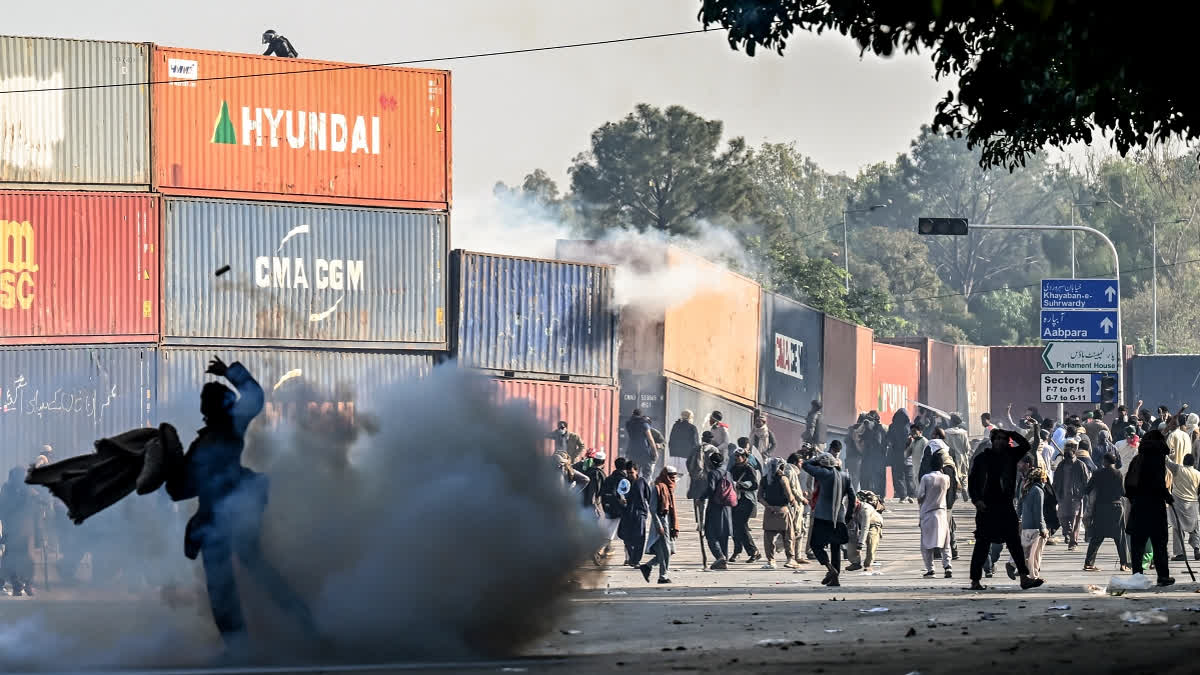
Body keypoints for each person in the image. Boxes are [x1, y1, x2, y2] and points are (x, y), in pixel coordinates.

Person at [166, 357, 316, 652]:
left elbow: (255, 397)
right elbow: (181, 489)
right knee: (224, 587)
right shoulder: (204, 443)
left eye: (208, 400)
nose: (203, 406)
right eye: (204, 400)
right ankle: (240, 645)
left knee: (249, 574)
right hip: (215, 518)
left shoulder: (229, 428)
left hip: (232, 511)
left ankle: (302, 625)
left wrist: (229, 372)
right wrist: (168, 469)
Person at [967, 427, 1044, 590]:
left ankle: (1024, 577)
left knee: (1015, 543)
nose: (1001, 441)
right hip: (986, 507)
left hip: (1006, 506)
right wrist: (976, 500)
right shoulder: (983, 458)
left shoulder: (1011, 455)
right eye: (998, 439)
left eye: (1004, 439)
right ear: (992, 441)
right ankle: (975, 580)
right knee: (982, 544)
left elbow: (1025, 445)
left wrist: (1011, 433)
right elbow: (972, 481)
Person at [1125, 430, 1175, 586]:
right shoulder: (1158, 460)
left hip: (1139, 507)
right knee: (1159, 544)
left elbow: (1128, 484)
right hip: (1155, 507)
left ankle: (1137, 576)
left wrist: (1135, 501)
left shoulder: (1137, 460)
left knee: (1138, 544)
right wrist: (1167, 496)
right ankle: (1163, 576)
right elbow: (1158, 483)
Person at [802, 452, 855, 587]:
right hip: (839, 516)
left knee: (815, 545)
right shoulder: (845, 476)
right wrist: (848, 515)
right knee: (835, 547)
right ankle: (835, 580)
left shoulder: (823, 473)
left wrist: (815, 458)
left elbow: (805, 464)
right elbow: (852, 497)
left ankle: (830, 569)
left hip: (823, 516)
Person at [1083, 453, 1130, 571]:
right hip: (1116, 508)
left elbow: (1087, 489)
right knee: (1120, 538)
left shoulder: (1097, 473)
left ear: (1104, 461)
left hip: (1100, 508)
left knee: (1096, 537)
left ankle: (1089, 563)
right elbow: (1123, 492)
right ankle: (1123, 564)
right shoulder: (1118, 474)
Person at [759, 458, 801, 569]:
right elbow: (789, 495)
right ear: (781, 467)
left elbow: (759, 497)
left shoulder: (764, 479)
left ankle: (771, 561)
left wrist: (768, 507)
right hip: (783, 511)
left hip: (769, 512)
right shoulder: (783, 479)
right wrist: (795, 503)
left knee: (768, 538)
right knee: (788, 536)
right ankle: (790, 559)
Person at [639, 466, 679, 584]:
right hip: (661, 522)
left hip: (669, 522)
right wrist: (658, 525)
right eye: (671, 476)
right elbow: (653, 509)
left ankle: (647, 566)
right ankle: (663, 576)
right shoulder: (657, 488)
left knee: (669, 550)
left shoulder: (669, 488)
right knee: (665, 550)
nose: (673, 478)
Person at [917, 453, 953, 578]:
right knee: (945, 542)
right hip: (942, 513)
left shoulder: (926, 478)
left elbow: (920, 496)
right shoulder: (946, 478)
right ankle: (947, 567)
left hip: (928, 513)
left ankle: (930, 569)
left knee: (926, 544)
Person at [1012, 465, 1050, 580]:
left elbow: (1019, 506)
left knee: (1027, 553)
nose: (1046, 480)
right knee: (1035, 554)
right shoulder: (1038, 491)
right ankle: (1034, 575)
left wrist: (1018, 520)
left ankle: (1018, 569)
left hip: (1025, 526)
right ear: (1041, 479)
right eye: (1045, 478)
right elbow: (1039, 512)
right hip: (1035, 527)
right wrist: (1043, 528)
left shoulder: (1027, 488)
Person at [1053, 442, 1090, 551]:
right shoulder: (1061, 465)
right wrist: (1056, 492)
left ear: (1074, 453)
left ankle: (1073, 542)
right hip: (1063, 496)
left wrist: (1083, 492)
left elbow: (1086, 480)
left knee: (1075, 519)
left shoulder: (1080, 465)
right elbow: (1055, 480)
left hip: (1076, 497)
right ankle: (1067, 533)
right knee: (1062, 517)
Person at [701, 451, 734, 569]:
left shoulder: (712, 474)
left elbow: (711, 489)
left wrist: (701, 498)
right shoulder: (728, 473)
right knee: (723, 535)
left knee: (711, 534)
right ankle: (724, 560)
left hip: (715, 507)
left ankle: (720, 557)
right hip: (727, 508)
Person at [1165, 453, 1200, 562]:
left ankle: (1180, 553)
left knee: (1177, 527)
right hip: (1192, 504)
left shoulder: (1178, 469)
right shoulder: (1198, 474)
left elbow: (1167, 462)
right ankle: (1197, 549)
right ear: (1193, 463)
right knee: (1194, 528)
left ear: (1184, 461)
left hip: (1179, 503)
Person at [728, 448, 761, 563]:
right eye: (735, 456)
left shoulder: (749, 469)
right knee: (735, 527)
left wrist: (741, 485)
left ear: (745, 457)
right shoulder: (732, 469)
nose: (737, 458)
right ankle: (737, 551)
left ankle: (753, 551)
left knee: (741, 526)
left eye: (739, 456)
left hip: (746, 500)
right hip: (735, 499)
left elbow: (755, 485)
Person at [617, 461, 651, 568]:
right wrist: (620, 501)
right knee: (627, 538)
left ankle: (636, 560)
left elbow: (649, 497)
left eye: (631, 472)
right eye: (628, 473)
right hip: (627, 513)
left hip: (640, 513)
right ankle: (632, 558)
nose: (630, 475)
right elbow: (618, 495)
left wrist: (654, 512)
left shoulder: (642, 482)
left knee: (639, 538)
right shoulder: (624, 482)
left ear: (637, 471)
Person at [598, 458, 628, 561]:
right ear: (624, 467)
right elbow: (624, 494)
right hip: (619, 509)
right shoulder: (624, 479)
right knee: (615, 531)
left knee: (607, 529)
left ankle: (606, 549)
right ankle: (601, 549)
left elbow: (602, 493)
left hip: (607, 507)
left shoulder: (609, 478)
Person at [846, 490, 884, 572]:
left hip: (874, 523)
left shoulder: (865, 509)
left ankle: (868, 564)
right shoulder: (848, 506)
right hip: (859, 522)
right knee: (851, 541)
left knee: (871, 541)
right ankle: (855, 563)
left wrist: (860, 544)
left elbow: (865, 527)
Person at [887, 409, 913, 502]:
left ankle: (902, 495)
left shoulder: (892, 426)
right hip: (909, 456)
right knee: (909, 476)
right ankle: (912, 495)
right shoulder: (910, 426)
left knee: (898, 476)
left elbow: (889, 440)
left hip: (896, 455)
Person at [859, 411, 888, 495]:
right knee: (865, 477)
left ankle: (880, 495)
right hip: (868, 458)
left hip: (878, 458)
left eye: (870, 420)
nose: (868, 422)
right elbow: (858, 435)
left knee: (878, 478)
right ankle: (865, 494)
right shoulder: (866, 429)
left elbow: (879, 443)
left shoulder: (880, 429)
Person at [625, 410, 657, 479]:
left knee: (634, 472)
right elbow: (651, 439)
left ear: (632, 414)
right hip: (643, 452)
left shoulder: (628, 424)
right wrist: (655, 452)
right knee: (647, 473)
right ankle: (644, 487)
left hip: (632, 451)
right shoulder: (644, 424)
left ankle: (634, 486)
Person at [902, 423, 926, 503]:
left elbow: (926, 455)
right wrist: (907, 444)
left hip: (923, 467)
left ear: (920, 431)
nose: (912, 433)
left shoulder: (924, 441)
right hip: (915, 467)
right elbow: (906, 454)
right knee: (917, 483)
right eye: (911, 431)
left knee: (922, 484)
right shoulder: (914, 442)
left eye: (914, 431)